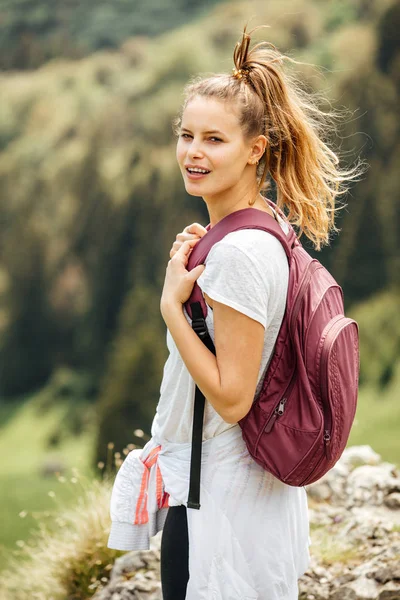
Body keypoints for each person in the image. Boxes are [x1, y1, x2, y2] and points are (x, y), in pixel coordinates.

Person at [107, 25, 360, 600]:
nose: (194, 152)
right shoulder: (254, 230)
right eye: (186, 134)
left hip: (220, 498)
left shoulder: (240, 252)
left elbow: (232, 396)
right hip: (228, 488)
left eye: (214, 140)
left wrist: (172, 307)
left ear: (255, 150)